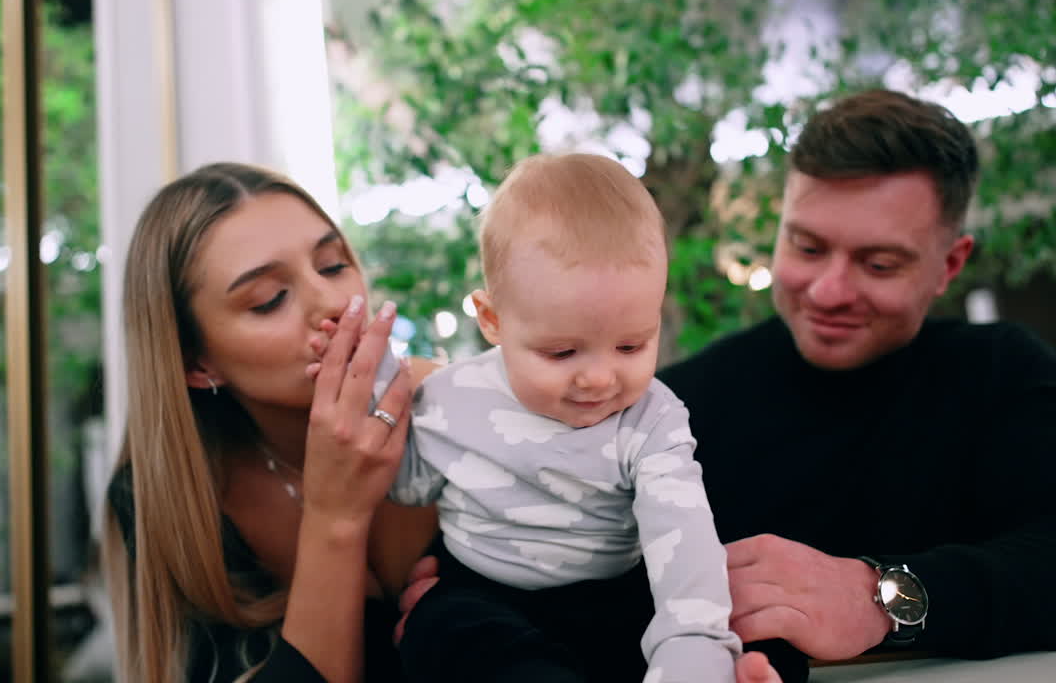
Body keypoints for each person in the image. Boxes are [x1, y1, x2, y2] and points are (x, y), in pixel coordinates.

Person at [656, 89, 1056, 666]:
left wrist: (877, 597)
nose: (829, 291)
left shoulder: (1002, 374)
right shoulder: (681, 406)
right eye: (808, 246)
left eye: (879, 264)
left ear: (950, 265)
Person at [385, 153, 763, 683]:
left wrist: (694, 643)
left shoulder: (651, 420)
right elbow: (408, 488)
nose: (599, 379)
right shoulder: (450, 396)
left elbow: (683, 539)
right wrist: (381, 390)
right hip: (482, 592)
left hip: (610, 595)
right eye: (562, 353)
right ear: (494, 320)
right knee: (443, 629)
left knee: (730, 634)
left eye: (631, 345)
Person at [100, 162, 439, 683]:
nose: (332, 303)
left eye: (331, 265)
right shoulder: (166, 503)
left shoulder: (455, 411)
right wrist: (335, 517)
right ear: (197, 364)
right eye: (269, 300)